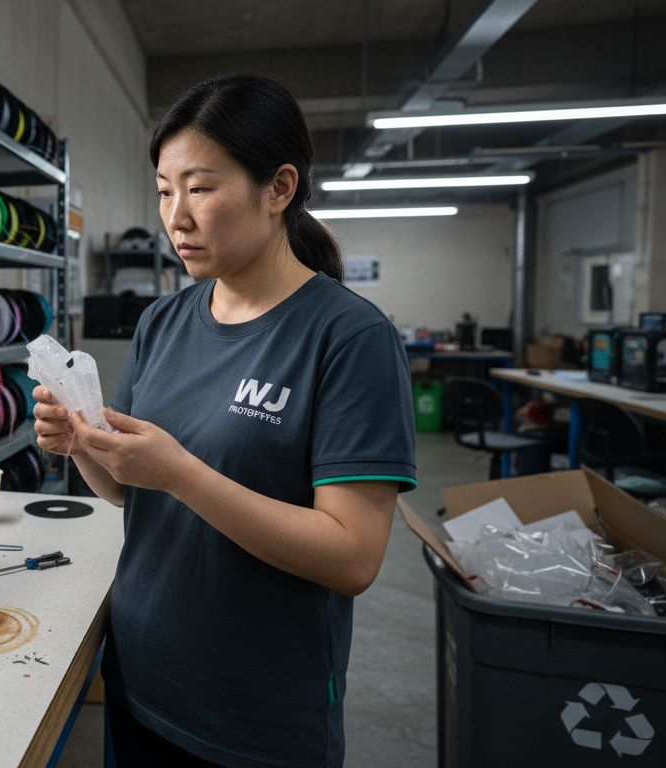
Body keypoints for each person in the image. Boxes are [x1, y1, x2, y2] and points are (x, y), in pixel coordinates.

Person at [33, 74, 416, 767]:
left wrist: (181, 473)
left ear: (279, 188)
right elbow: (127, 490)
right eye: (164, 191)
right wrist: (82, 444)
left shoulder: (349, 338)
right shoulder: (163, 322)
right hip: (140, 680)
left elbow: (352, 557)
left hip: (254, 721)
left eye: (201, 189)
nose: (176, 217)